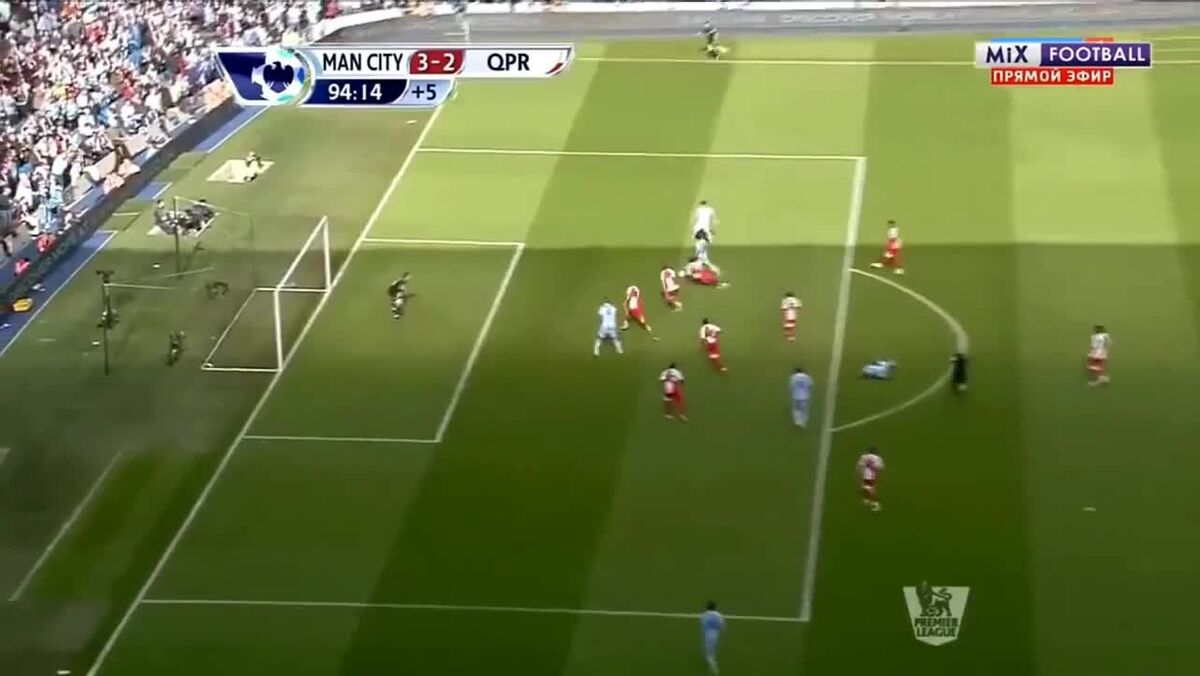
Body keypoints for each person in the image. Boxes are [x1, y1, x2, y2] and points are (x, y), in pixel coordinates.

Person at [701, 601, 725, 674]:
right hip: (715, 635)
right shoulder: (718, 615)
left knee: (709, 654)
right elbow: (722, 625)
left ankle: (714, 668)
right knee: (711, 651)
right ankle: (711, 662)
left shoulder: (705, 614)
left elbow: (703, 624)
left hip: (707, 634)